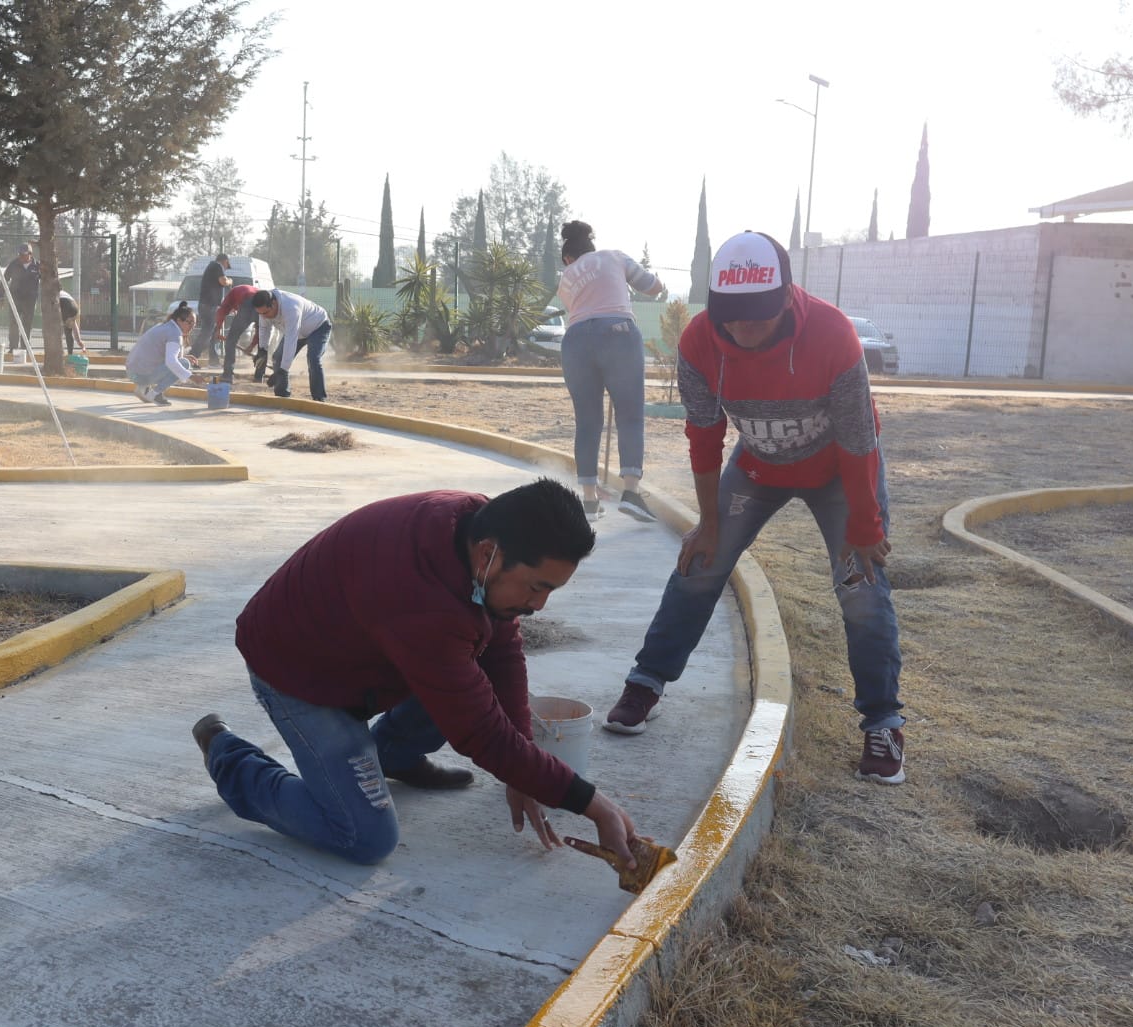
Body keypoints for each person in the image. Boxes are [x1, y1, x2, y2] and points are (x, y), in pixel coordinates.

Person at [193, 479, 640, 868]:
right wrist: (593, 805)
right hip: (299, 672)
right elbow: (480, 732)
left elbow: (501, 650)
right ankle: (228, 755)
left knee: (464, 682)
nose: (540, 604)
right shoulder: (420, 598)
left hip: (369, 654)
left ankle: (392, 754)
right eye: (536, 586)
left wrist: (523, 767)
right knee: (363, 836)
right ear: (489, 554)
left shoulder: (478, 529)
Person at [603, 231, 909, 786]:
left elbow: (860, 440)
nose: (743, 329)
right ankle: (646, 681)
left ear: (787, 297)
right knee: (702, 564)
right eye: (731, 317)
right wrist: (710, 523)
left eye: (757, 317)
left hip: (839, 468)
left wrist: (865, 525)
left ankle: (883, 723)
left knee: (861, 588)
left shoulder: (834, 334)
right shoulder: (699, 342)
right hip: (758, 466)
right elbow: (703, 435)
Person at [556, 221, 667, 523]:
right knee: (629, 414)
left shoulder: (565, 278)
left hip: (576, 341)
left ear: (568, 258)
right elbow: (652, 286)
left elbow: (583, 313)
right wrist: (659, 284)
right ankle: (630, 492)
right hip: (617, 331)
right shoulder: (613, 257)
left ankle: (589, 500)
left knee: (588, 421)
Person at [252, 288, 332, 401]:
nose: (264, 317)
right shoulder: (264, 310)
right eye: (260, 314)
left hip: (318, 327)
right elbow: (264, 329)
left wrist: (282, 370)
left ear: (274, 303)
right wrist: (262, 350)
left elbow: (291, 339)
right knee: (277, 358)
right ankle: (282, 396)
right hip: (297, 331)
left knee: (313, 358)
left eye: (265, 313)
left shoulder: (291, 307)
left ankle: (319, 398)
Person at [125, 302, 204, 405]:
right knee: (184, 364)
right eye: (189, 323)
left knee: (181, 361)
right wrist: (191, 376)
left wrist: (183, 356)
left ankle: (143, 388)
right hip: (141, 375)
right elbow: (171, 362)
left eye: (194, 324)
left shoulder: (165, 326)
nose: (192, 327)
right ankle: (155, 394)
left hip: (132, 372)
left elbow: (162, 352)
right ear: (179, 320)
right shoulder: (174, 333)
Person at [212, 282, 264, 383]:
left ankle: (227, 375)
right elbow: (260, 332)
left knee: (231, 340)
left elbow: (221, 311)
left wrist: (217, 329)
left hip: (248, 301)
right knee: (263, 341)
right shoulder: (243, 293)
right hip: (261, 301)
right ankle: (259, 376)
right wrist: (251, 346)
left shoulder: (232, 295)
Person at [186, 254, 230, 361]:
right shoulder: (217, 266)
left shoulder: (212, 267)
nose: (225, 268)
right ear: (225, 261)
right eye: (226, 265)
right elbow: (223, 281)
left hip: (208, 305)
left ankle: (213, 359)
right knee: (206, 333)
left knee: (213, 333)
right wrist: (230, 281)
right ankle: (192, 356)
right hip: (209, 306)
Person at [1, 243, 41, 354]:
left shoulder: (37, 266)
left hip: (30, 301)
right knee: (13, 323)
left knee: (27, 324)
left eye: (23, 255)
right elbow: (4, 280)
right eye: (19, 255)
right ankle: (13, 347)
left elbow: (46, 281)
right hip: (15, 299)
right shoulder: (13, 264)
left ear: (30, 254)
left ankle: (25, 347)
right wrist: (1, 297)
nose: (21, 257)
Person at [57, 289, 84, 357]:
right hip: (75, 307)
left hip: (65, 305)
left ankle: (60, 352)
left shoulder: (52, 293)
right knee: (70, 328)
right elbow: (74, 325)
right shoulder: (63, 292)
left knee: (61, 330)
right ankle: (70, 354)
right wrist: (79, 340)